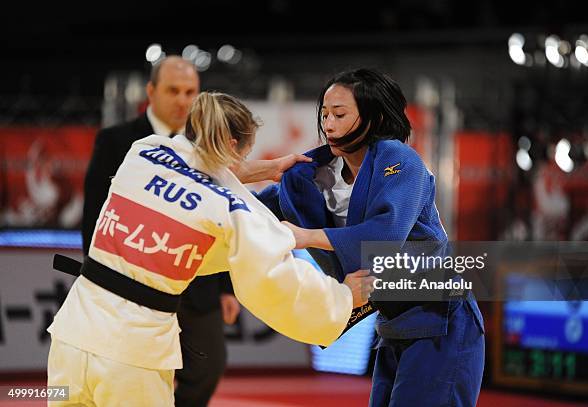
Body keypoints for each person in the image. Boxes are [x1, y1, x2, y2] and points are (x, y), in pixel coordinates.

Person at [48, 91, 374, 406]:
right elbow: (275, 279)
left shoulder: (143, 152)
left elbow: (197, 165)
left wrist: (269, 168)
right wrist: (343, 297)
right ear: (233, 146)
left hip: (71, 337)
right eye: (245, 154)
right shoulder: (230, 209)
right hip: (131, 354)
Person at [258, 68, 485, 406]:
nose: (329, 125)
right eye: (324, 115)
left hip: (442, 318)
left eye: (339, 114)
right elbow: (245, 211)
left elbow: (386, 236)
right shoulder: (307, 175)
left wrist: (306, 237)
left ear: (374, 117)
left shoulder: (400, 161)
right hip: (391, 323)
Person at [81, 55, 236, 406]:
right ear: (151, 91)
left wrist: (228, 287)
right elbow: (94, 218)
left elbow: (225, 217)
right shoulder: (115, 141)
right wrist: (99, 283)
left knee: (209, 367)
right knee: (136, 374)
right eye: (173, 90)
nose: (183, 100)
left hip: (198, 285)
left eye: (190, 92)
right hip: (134, 287)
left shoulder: (208, 148)